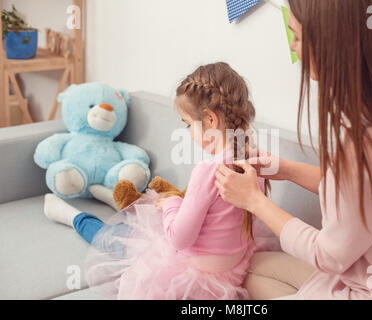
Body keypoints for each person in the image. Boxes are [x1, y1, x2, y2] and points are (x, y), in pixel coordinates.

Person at [215, 0, 372, 299]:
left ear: (331, 43)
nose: (295, 48)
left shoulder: (363, 141)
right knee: (251, 270)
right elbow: (364, 194)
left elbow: (329, 255)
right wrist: (285, 169)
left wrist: (254, 200)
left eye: (298, 36)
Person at [43, 62, 275, 300]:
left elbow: (179, 238)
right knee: (144, 214)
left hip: (191, 274)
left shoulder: (207, 170)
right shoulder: (252, 160)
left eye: (187, 124)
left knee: (117, 238)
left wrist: (173, 203)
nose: (188, 132)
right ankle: (106, 195)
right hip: (230, 271)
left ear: (210, 120)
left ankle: (71, 216)